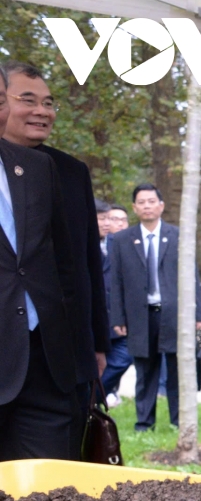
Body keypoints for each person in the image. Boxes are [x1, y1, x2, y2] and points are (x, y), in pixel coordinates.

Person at [2, 62, 109, 452]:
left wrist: (96, 343)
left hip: (54, 356)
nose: (42, 111)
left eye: (48, 103)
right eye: (26, 100)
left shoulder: (68, 171)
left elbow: (84, 265)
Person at [0, 66, 80, 461]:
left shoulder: (36, 167)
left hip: (43, 364)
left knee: (49, 500)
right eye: (25, 99)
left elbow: (63, 264)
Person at [107, 184, 201, 430]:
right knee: (145, 372)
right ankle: (144, 422)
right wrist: (118, 317)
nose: (147, 206)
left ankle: (178, 421)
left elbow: (192, 277)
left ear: (161, 206)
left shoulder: (178, 235)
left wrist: (197, 315)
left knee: (175, 370)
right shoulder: (121, 240)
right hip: (140, 315)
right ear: (134, 208)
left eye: (152, 201)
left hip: (174, 314)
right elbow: (115, 282)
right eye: (141, 202)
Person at [99, 203, 132, 405]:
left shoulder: (121, 244)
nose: (114, 223)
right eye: (108, 219)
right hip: (99, 316)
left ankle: (94, 396)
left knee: (123, 357)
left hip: (119, 317)